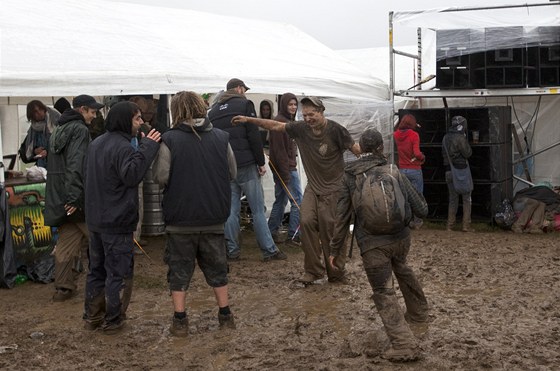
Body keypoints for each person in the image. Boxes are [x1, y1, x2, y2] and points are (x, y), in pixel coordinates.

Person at [232, 96, 361, 284]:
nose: (308, 118)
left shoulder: (335, 130)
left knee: (330, 229)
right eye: (305, 114)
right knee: (306, 222)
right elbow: (275, 126)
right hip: (313, 187)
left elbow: (356, 149)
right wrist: (249, 120)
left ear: (321, 111)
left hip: (334, 190)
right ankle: (314, 270)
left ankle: (336, 271)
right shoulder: (300, 129)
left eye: (312, 114)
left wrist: (368, 151)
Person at [329, 128, 429, 362]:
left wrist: (335, 250)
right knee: (402, 266)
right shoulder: (394, 170)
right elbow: (422, 208)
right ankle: (418, 313)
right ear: (381, 148)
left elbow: (342, 217)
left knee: (383, 291)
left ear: (360, 149)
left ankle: (403, 344)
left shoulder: (349, 176)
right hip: (401, 238)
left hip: (372, 243)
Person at [153, 91, 236, 336]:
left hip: (180, 219)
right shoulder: (222, 138)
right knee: (218, 269)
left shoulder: (169, 139)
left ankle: (180, 319)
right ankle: (225, 314)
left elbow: (161, 177)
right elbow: (232, 172)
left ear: (177, 110)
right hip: (214, 217)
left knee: (178, 271)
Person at [83, 101, 161, 334]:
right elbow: (132, 176)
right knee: (118, 273)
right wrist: (148, 147)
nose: (141, 123)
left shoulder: (96, 143)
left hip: (96, 219)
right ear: (125, 120)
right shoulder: (124, 147)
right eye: (137, 118)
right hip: (116, 221)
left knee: (96, 270)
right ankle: (114, 319)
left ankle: (92, 317)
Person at [208, 78, 286, 262]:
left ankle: (232, 251)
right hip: (246, 164)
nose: (245, 92)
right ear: (239, 88)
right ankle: (269, 250)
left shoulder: (213, 111)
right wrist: (260, 161)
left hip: (226, 166)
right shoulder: (245, 104)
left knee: (231, 210)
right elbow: (252, 134)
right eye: (244, 89)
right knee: (258, 210)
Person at [44, 95, 104, 301]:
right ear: (82, 109)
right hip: (76, 197)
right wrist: (75, 199)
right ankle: (113, 280)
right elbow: (76, 165)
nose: (94, 117)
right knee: (102, 237)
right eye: (92, 112)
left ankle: (63, 287)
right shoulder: (79, 130)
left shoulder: (57, 130)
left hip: (59, 197)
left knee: (66, 243)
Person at [267, 93, 303, 245]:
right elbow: (279, 151)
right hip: (286, 169)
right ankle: (294, 236)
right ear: (284, 105)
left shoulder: (288, 122)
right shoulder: (280, 123)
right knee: (297, 202)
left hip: (283, 168)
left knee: (280, 201)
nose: (293, 107)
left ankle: (270, 233)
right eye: (290, 104)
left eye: (295, 104)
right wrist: (286, 173)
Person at [442, 116, 474, 232]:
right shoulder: (460, 138)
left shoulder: (445, 138)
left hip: (448, 171)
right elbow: (468, 153)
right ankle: (466, 225)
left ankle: (450, 225)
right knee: (466, 198)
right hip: (461, 172)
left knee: (453, 199)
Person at [394, 114, 425, 229]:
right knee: (417, 196)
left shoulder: (396, 135)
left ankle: (406, 221)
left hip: (402, 169)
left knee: (405, 196)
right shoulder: (414, 135)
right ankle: (417, 222)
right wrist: (422, 157)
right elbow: (417, 153)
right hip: (415, 170)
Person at [19, 100, 61, 168]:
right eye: (35, 112)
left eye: (40, 109)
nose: (39, 113)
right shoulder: (33, 130)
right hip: (41, 165)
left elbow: (61, 144)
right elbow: (26, 151)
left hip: (57, 165)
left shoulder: (55, 123)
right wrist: (35, 151)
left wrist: (48, 152)